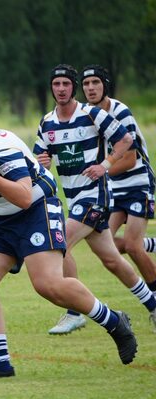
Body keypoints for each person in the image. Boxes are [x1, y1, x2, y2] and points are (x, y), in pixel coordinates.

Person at [0, 107, 138, 379]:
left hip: (36, 211)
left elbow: (24, 197)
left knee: (48, 285)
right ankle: (0, 365)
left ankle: (114, 321)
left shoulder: (3, 151)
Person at [33, 64, 156, 335]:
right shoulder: (47, 122)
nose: (61, 89)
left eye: (66, 84)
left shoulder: (92, 114)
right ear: (51, 88)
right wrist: (42, 162)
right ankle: (153, 303)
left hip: (95, 196)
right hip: (73, 198)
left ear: (73, 87)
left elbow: (126, 140)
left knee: (60, 244)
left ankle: (75, 312)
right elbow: (41, 158)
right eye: (56, 84)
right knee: (113, 260)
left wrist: (105, 165)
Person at [78, 64, 156, 333]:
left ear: (105, 85)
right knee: (107, 247)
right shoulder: (86, 115)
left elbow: (130, 158)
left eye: (95, 83)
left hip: (138, 183)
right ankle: (149, 245)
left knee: (132, 246)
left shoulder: (120, 112)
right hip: (112, 187)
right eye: (86, 84)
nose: (90, 88)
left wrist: (100, 170)